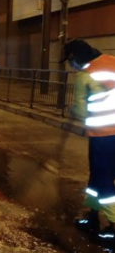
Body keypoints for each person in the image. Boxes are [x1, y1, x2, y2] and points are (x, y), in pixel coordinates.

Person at [61, 39, 115, 239]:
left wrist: (73, 109)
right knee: (98, 175)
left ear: (75, 58)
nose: (70, 66)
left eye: (69, 61)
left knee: (103, 178)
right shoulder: (112, 61)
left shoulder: (85, 75)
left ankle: (113, 223)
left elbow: (81, 109)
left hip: (103, 135)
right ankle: (92, 214)